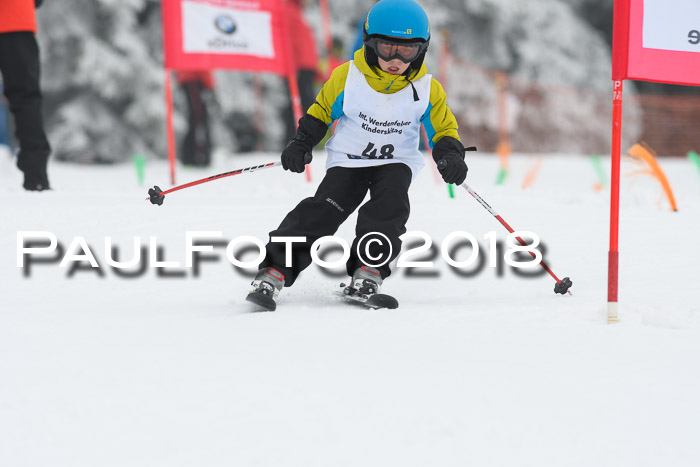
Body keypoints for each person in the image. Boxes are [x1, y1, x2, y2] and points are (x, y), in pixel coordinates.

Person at [246, 0, 468, 311]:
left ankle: (368, 271)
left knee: (388, 210)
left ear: (422, 49)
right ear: (369, 42)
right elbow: (321, 111)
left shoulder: (426, 88)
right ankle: (274, 271)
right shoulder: (348, 77)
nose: (395, 59)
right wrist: (302, 142)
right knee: (323, 211)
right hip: (349, 161)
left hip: (396, 162)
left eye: (407, 51)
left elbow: (443, 128)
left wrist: (451, 155)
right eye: (386, 47)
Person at [0, 0, 52, 191]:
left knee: (26, 99)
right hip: (17, 19)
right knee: (26, 98)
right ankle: (36, 175)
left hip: (17, 19)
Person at [282, 0, 320, 144]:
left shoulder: (297, 11)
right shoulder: (289, 10)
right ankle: (295, 140)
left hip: (305, 67)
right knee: (301, 104)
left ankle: (300, 139)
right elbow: (288, 42)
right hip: (298, 68)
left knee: (305, 103)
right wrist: (291, 67)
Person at [175, 70, 215, 167]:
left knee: (197, 119)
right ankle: (192, 157)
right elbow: (203, 62)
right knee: (197, 119)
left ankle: (196, 156)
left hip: (194, 79)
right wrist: (209, 84)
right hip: (194, 78)